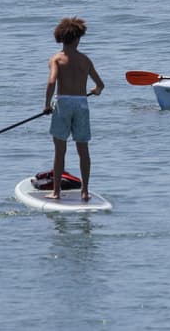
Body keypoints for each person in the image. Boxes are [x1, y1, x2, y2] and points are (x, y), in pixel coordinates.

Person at [42, 17, 104, 202]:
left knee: (60, 150)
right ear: (78, 38)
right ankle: (85, 191)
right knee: (83, 149)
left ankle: (56, 192)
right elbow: (100, 85)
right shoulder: (85, 60)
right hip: (82, 105)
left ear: (61, 38)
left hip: (63, 104)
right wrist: (95, 91)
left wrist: (46, 105)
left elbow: (52, 81)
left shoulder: (57, 59)